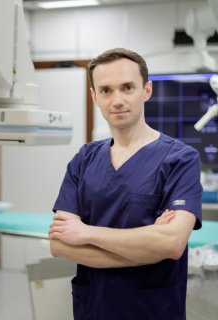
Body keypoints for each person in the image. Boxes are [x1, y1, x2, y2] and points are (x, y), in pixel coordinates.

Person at [49, 48, 203, 320]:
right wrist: (148, 251)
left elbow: (172, 244)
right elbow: (60, 245)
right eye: (106, 90)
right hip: (93, 309)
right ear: (95, 96)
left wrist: (86, 233)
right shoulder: (84, 160)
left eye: (128, 87)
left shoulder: (181, 159)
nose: (117, 100)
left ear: (146, 90)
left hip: (152, 310)